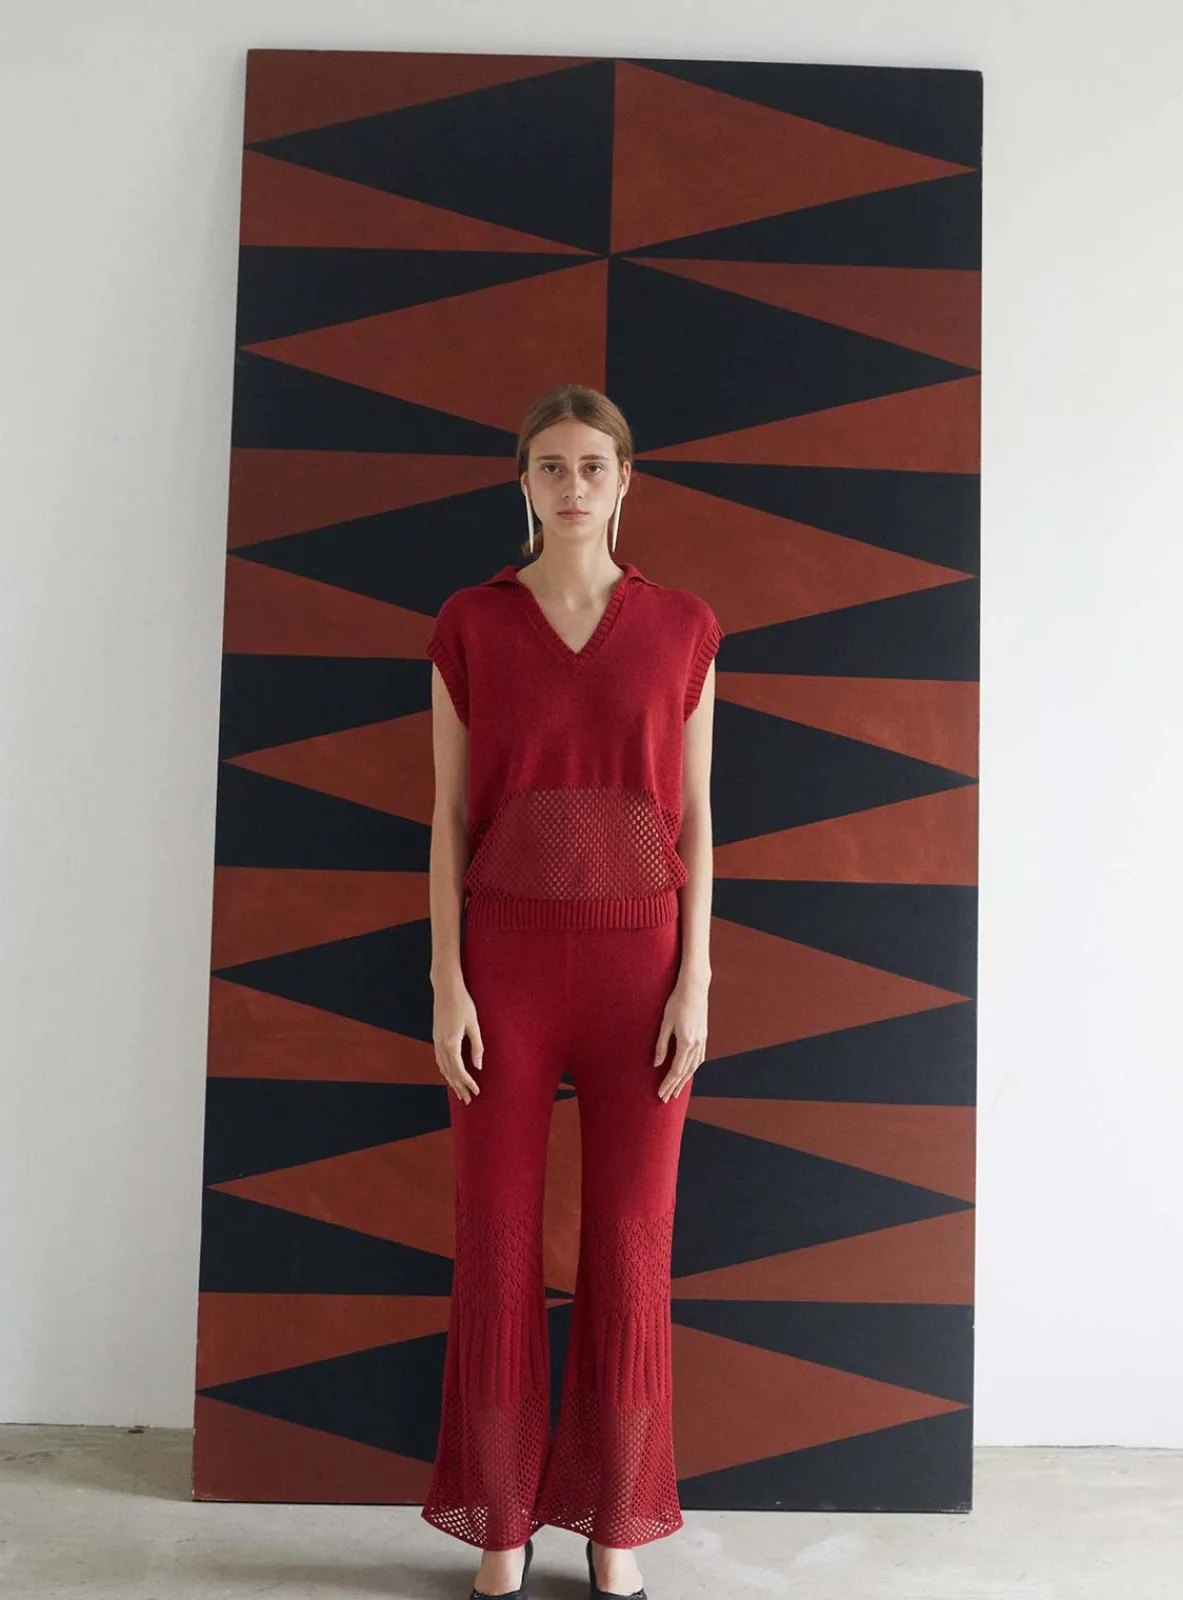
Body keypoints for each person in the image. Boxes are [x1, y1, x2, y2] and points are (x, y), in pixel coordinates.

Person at [420, 382, 723, 1600]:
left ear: (625, 479)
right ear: (525, 483)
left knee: (632, 1249)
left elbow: (695, 814)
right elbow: (446, 816)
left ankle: (616, 1524)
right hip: (504, 964)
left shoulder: (685, 626)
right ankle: (500, 1525)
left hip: (642, 965)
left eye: (593, 465)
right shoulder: (470, 623)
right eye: (551, 465)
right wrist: (446, 978)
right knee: (495, 1246)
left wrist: (697, 976)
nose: (573, 485)